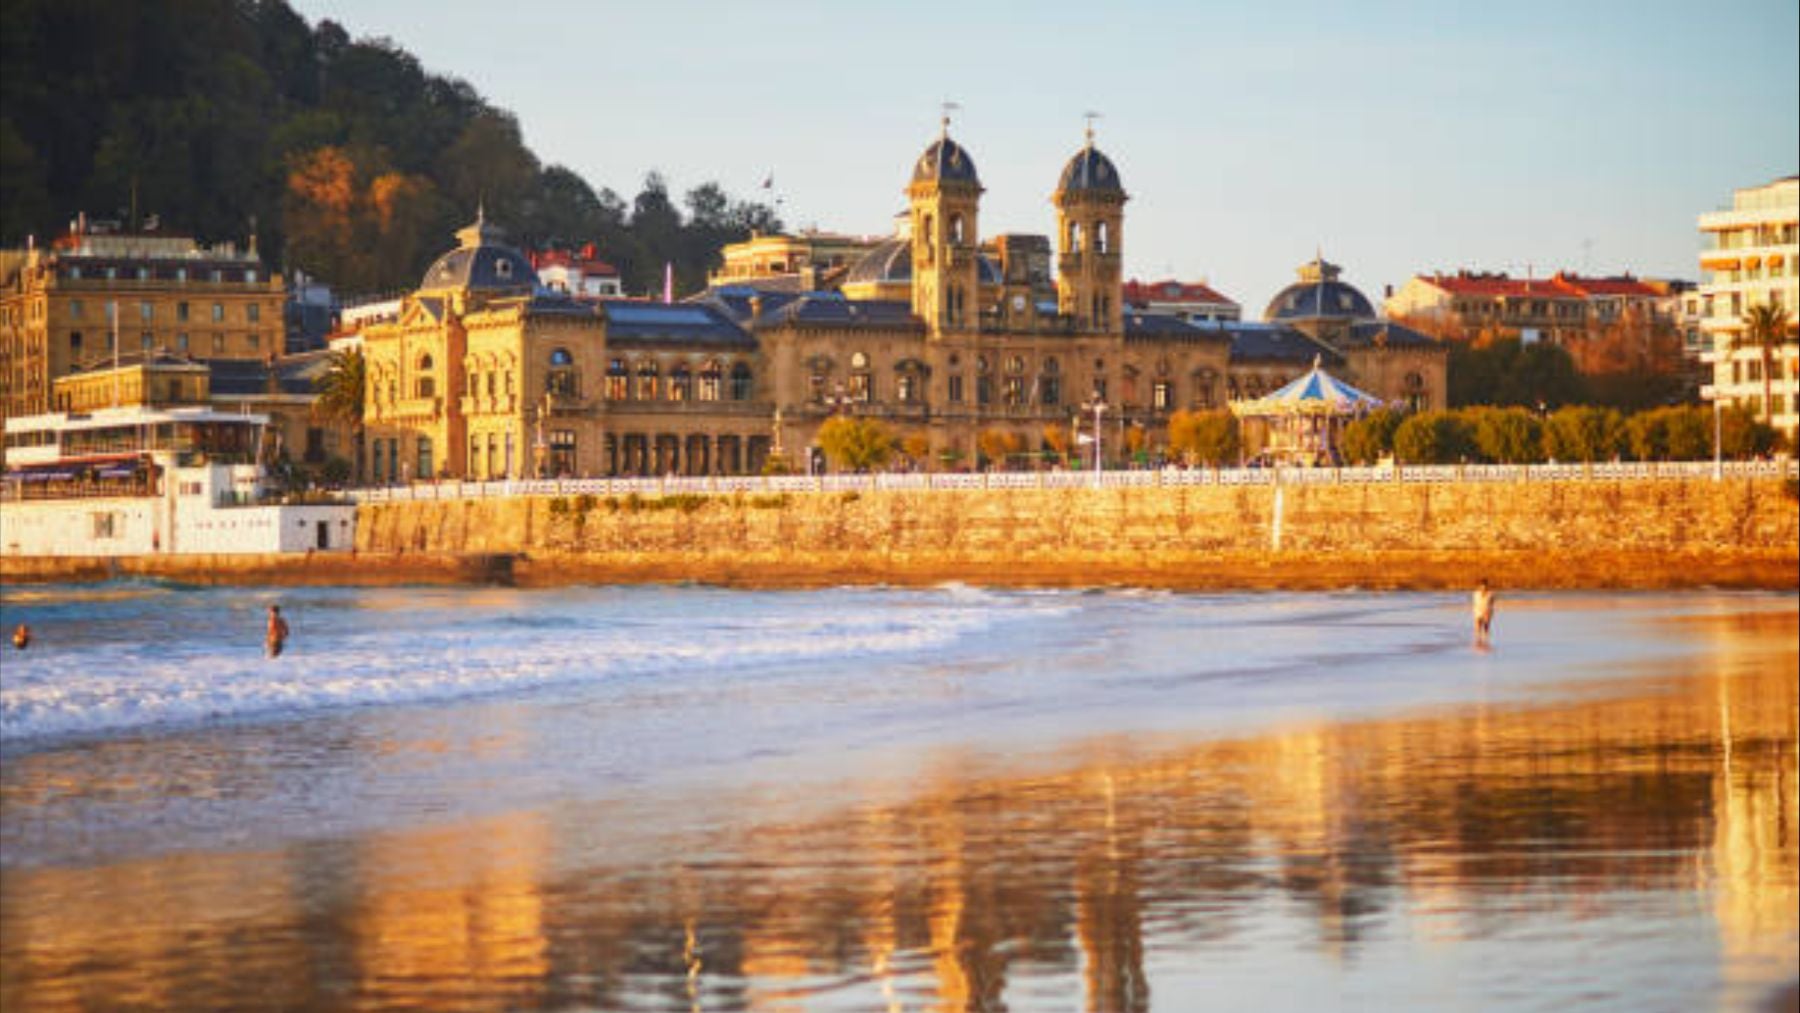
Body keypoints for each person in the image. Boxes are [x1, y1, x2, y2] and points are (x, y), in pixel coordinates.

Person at [1472, 578, 1496, 648]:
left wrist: (1489, 611)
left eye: (1485, 586)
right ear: (1479, 586)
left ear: (1487, 586)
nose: (1483, 588)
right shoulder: (1476, 594)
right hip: (1478, 610)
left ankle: (1486, 641)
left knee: (1486, 626)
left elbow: (1492, 603)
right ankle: (1478, 640)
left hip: (1487, 610)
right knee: (1478, 625)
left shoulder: (1491, 594)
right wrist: (1476, 610)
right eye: (1482, 586)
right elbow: (1475, 603)